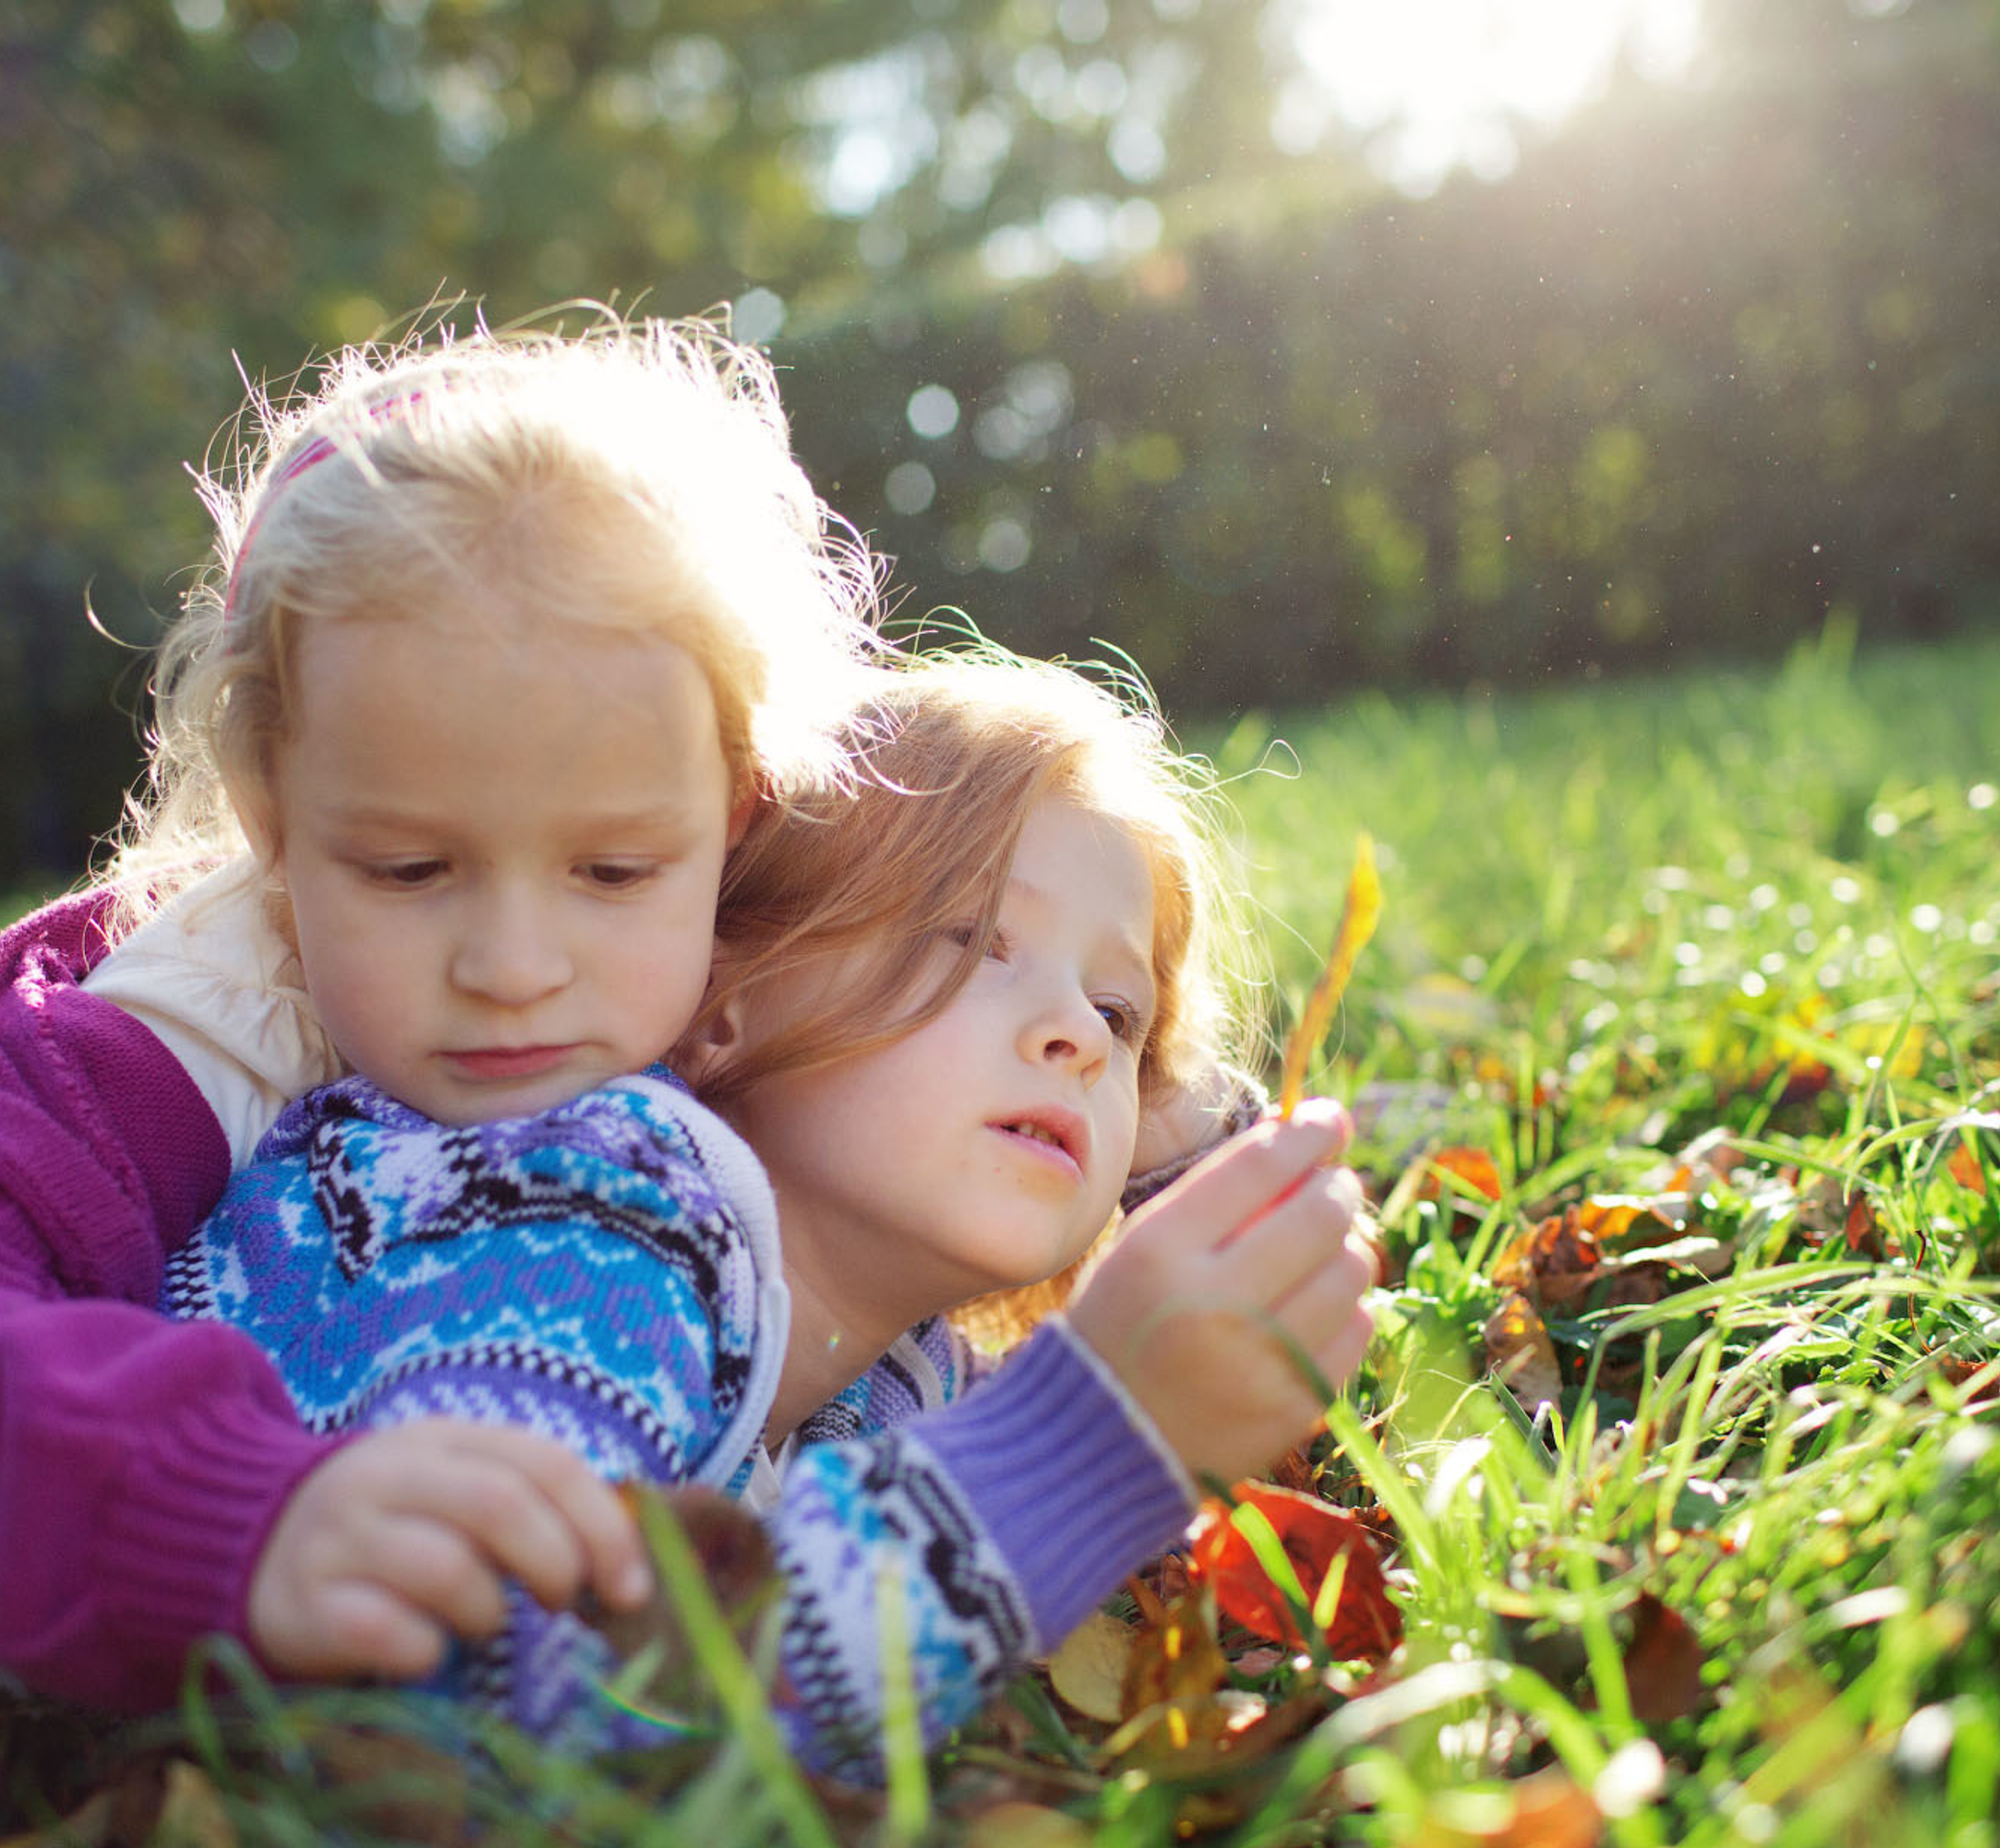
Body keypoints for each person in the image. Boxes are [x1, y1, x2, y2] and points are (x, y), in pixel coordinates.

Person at [162, 650, 1377, 1772]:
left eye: (1117, 1014)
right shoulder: (580, 1218)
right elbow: (492, 1713)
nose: (1071, 1033)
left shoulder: (887, 1361)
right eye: (970, 940)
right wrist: (1095, 1446)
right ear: (721, 993)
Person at [0, 308, 881, 1711]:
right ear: (272, 820)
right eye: (410, 871)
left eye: (613, 870)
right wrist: (236, 1511)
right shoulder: (155, 1054)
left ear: (741, 809)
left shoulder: (753, 927)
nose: (514, 964)